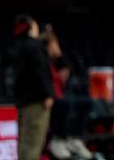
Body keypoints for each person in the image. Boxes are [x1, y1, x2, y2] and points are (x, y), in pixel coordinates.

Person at [42, 24, 94, 160]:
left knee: (87, 102)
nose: (57, 47)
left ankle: (74, 139)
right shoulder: (42, 61)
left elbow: (65, 71)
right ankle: (57, 140)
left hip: (59, 96)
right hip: (48, 99)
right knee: (64, 104)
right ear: (48, 46)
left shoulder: (56, 62)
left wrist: (59, 56)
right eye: (54, 44)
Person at [12, 14, 54, 160]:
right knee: (33, 143)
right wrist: (47, 94)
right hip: (36, 102)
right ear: (30, 27)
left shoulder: (18, 46)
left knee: (24, 143)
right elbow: (40, 71)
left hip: (22, 102)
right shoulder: (34, 46)